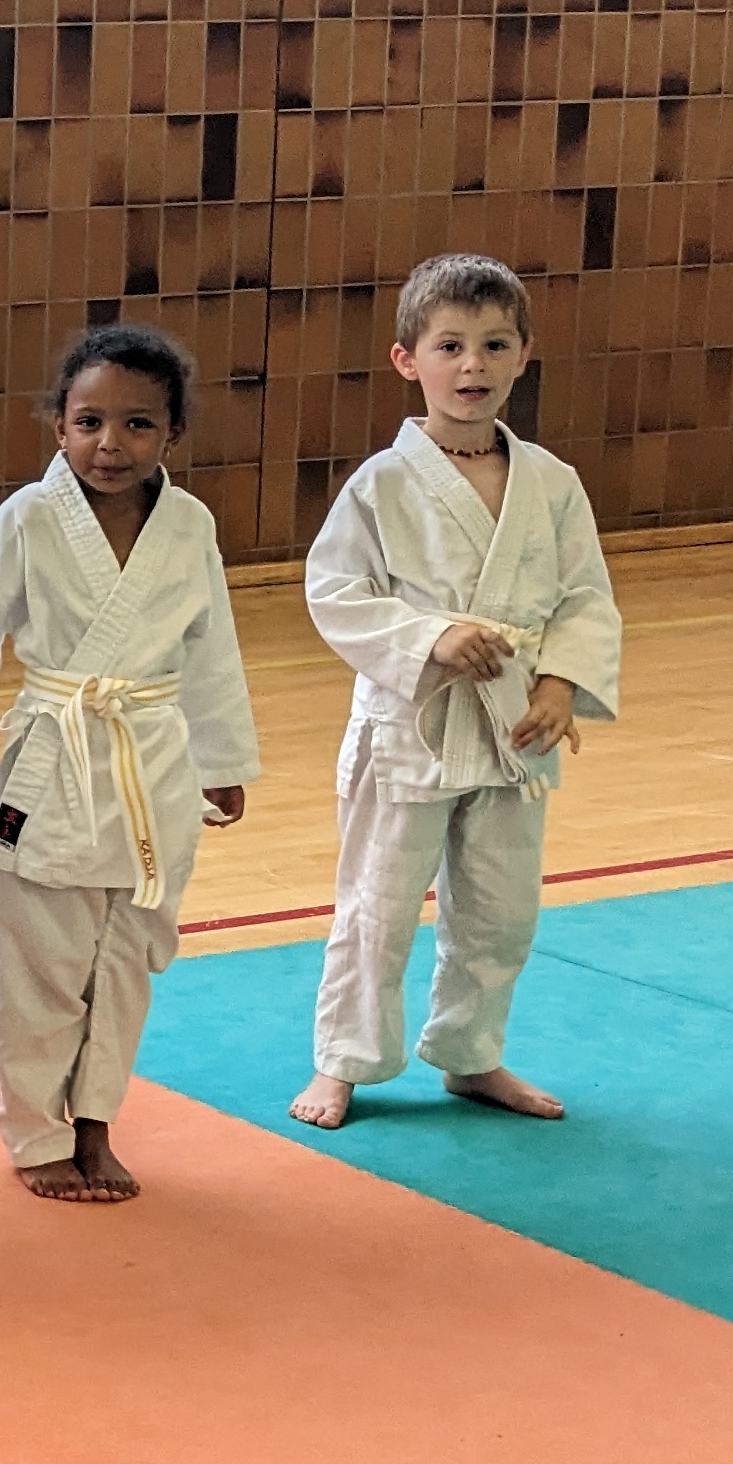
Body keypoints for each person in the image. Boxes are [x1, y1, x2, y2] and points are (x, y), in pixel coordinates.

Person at [0, 326, 260, 1201]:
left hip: (152, 764)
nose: (111, 444)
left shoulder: (189, 525)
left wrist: (222, 755)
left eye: (138, 425)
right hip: (49, 767)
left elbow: (211, 645)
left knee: (128, 959)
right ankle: (35, 1136)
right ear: (58, 426)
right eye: (90, 421)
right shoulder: (27, 518)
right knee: (42, 965)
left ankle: (96, 1123)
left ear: (172, 433)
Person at [293, 252, 625, 1129]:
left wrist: (559, 683)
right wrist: (433, 635)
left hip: (514, 725)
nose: (472, 365)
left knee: (502, 911)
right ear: (409, 360)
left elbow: (585, 594)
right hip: (414, 723)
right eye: (450, 345)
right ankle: (344, 1061)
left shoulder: (551, 483)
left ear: (524, 356)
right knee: (380, 903)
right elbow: (334, 592)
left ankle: (472, 1055)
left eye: (494, 344)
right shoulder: (383, 483)